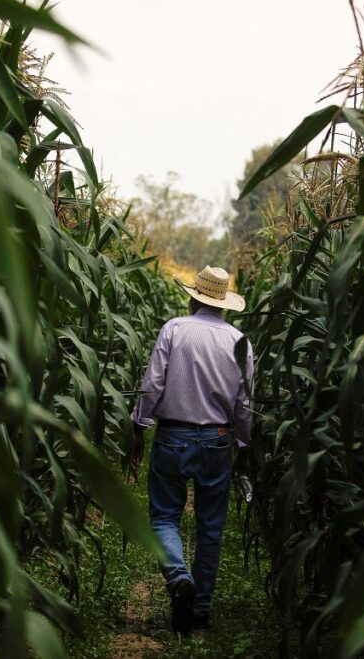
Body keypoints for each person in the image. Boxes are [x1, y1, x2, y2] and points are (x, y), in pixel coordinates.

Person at [130, 265, 254, 637]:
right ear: (224, 303)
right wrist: (244, 445)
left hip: (172, 437)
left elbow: (153, 384)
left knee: (164, 518)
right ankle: (199, 611)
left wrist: (138, 424)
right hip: (218, 439)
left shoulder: (174, 329)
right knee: (210, 527)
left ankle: (179, 579)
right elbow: (245, 403)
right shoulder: (239, 341)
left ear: (193, 298)